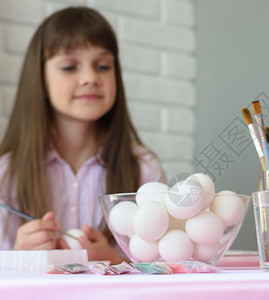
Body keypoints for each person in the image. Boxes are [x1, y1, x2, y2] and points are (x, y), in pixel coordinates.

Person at [0, 7, 166, 263]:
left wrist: (115, 260)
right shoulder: (6, 172)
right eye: (69, 67)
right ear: (39, 79)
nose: (90, 78)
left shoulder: (144, 170)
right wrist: (18, 258)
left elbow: (166, 270)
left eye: (102, 66)